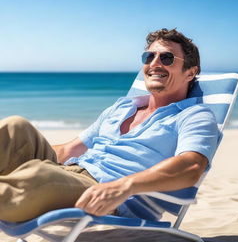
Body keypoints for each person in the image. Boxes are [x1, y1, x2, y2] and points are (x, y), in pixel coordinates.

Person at [0, 28, 219, 223]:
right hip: (71, 172)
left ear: (190, 72)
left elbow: (191, 167)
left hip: (108, 194)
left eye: (167, 58)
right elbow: (68, 150)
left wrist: (124, 186)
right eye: (149, 56)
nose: (154, 64)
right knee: (15, 128)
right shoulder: (123, 107)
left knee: (39, 175)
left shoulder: (193, 115)